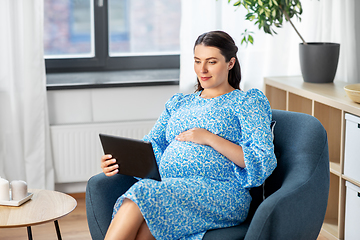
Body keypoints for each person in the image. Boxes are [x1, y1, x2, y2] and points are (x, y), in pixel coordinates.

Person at [101, 30, 277, 240]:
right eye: (197, 61)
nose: (202, 69)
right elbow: (151, 144)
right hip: (171, 189)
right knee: (145, 229)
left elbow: (261, 158)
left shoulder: (247, 102)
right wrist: (119, 161)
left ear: (230, 63)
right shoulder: (179, 103)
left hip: (221, 193)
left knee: (141, 193)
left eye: (211, 62)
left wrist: (209, 138)